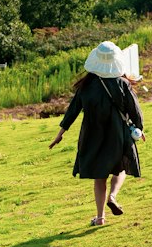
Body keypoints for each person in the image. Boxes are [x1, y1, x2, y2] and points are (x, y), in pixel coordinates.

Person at [49, 41, 145, 226]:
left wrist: (60, 133)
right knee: (121, 167)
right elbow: (135, 111)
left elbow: (73, 111)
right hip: (117, 132)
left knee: (99, 176)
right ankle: (113, 196)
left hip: (92, 135)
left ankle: (100, 217)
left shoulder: (86, 85)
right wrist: (140, 129)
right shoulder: (122, 83)